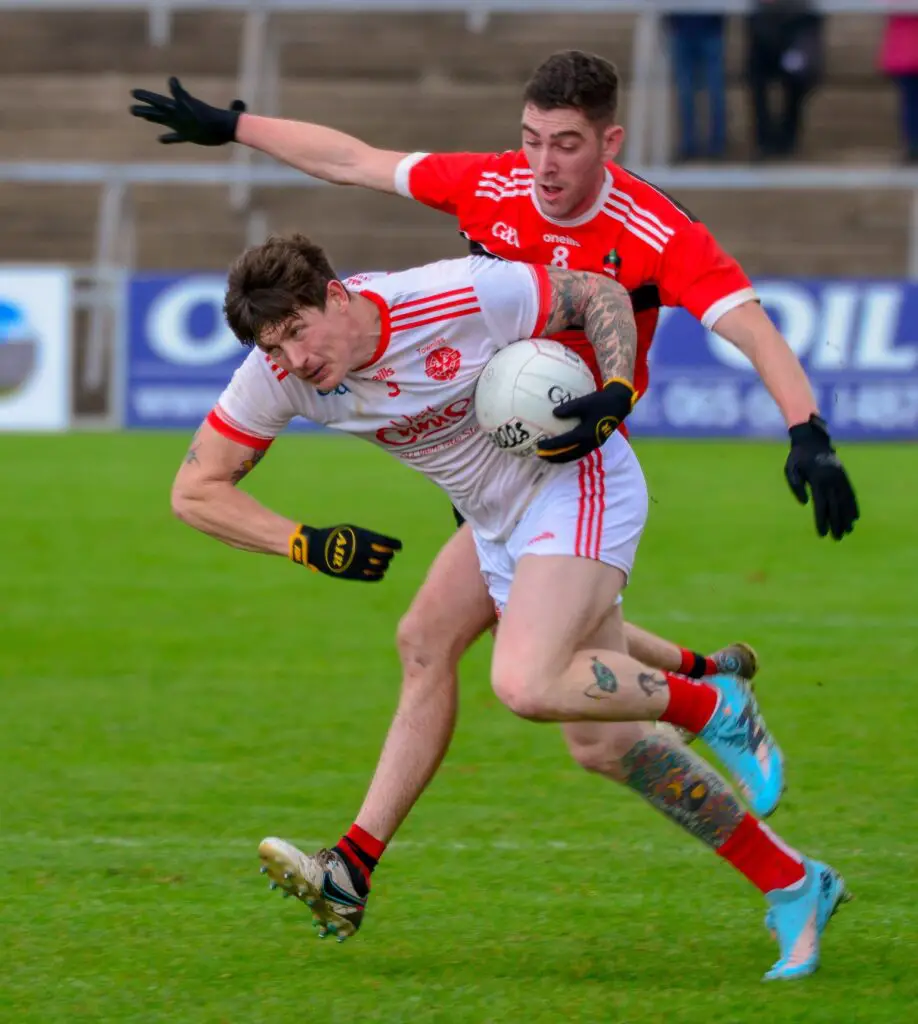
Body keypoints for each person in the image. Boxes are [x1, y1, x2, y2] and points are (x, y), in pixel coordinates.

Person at [131, 51, 858, 962]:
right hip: (495, 503)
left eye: (563, 145)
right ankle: (789, 874)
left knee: (525, 681)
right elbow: (354, 158)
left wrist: (805, 428)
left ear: (608, 142)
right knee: (529, 700)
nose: (542, 164)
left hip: (579, 466)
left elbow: (735, 322)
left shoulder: (619, 241)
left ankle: (708, 701)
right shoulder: (486, 195)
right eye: (529, 141)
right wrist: (236, 126)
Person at [746, 0, 825, 160]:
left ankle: (787, 137)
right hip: (764, 27)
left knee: (797, 83)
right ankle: (765, 140)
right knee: (757, 82)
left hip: (796, 26)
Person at [666, 12, 728, 162]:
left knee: (714, 91)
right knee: (686, 91)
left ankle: (716, 144)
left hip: (709, 30)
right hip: (683, 30)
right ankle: (689, 144)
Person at [879, 13, 918, 164]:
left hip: (904, 51)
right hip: (906, 52)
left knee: (911, 101)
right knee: (911, 101)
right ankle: (914, 145)